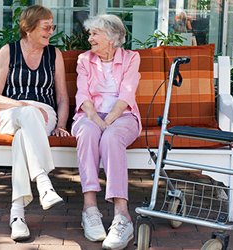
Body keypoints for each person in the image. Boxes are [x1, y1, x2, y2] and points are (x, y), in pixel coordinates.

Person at [0, 5, 70, 242]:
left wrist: (61, 125)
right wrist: (24, 107)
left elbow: (62, 97)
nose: (51, 31)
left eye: (52, 26)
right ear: (29, 28)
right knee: (28, 117)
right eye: (47, 27)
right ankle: (43, 182)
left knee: (23, 138)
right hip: (10, 112)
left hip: (44, 115)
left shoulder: (54, 55)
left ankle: (17, 216)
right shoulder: (8, 51)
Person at [71, 14, 142, 249]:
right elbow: (83, 95)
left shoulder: (132, 58)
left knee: (111, 138)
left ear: (111, 37)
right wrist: (95, 120)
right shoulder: (84, 59)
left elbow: (127, 94)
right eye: (90, 33)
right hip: (90, 116)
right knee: (88, 134)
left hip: (123, 116)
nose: (89, 38)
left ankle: (123, 217)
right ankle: (89, 209)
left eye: (94, 34)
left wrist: (109, 120)